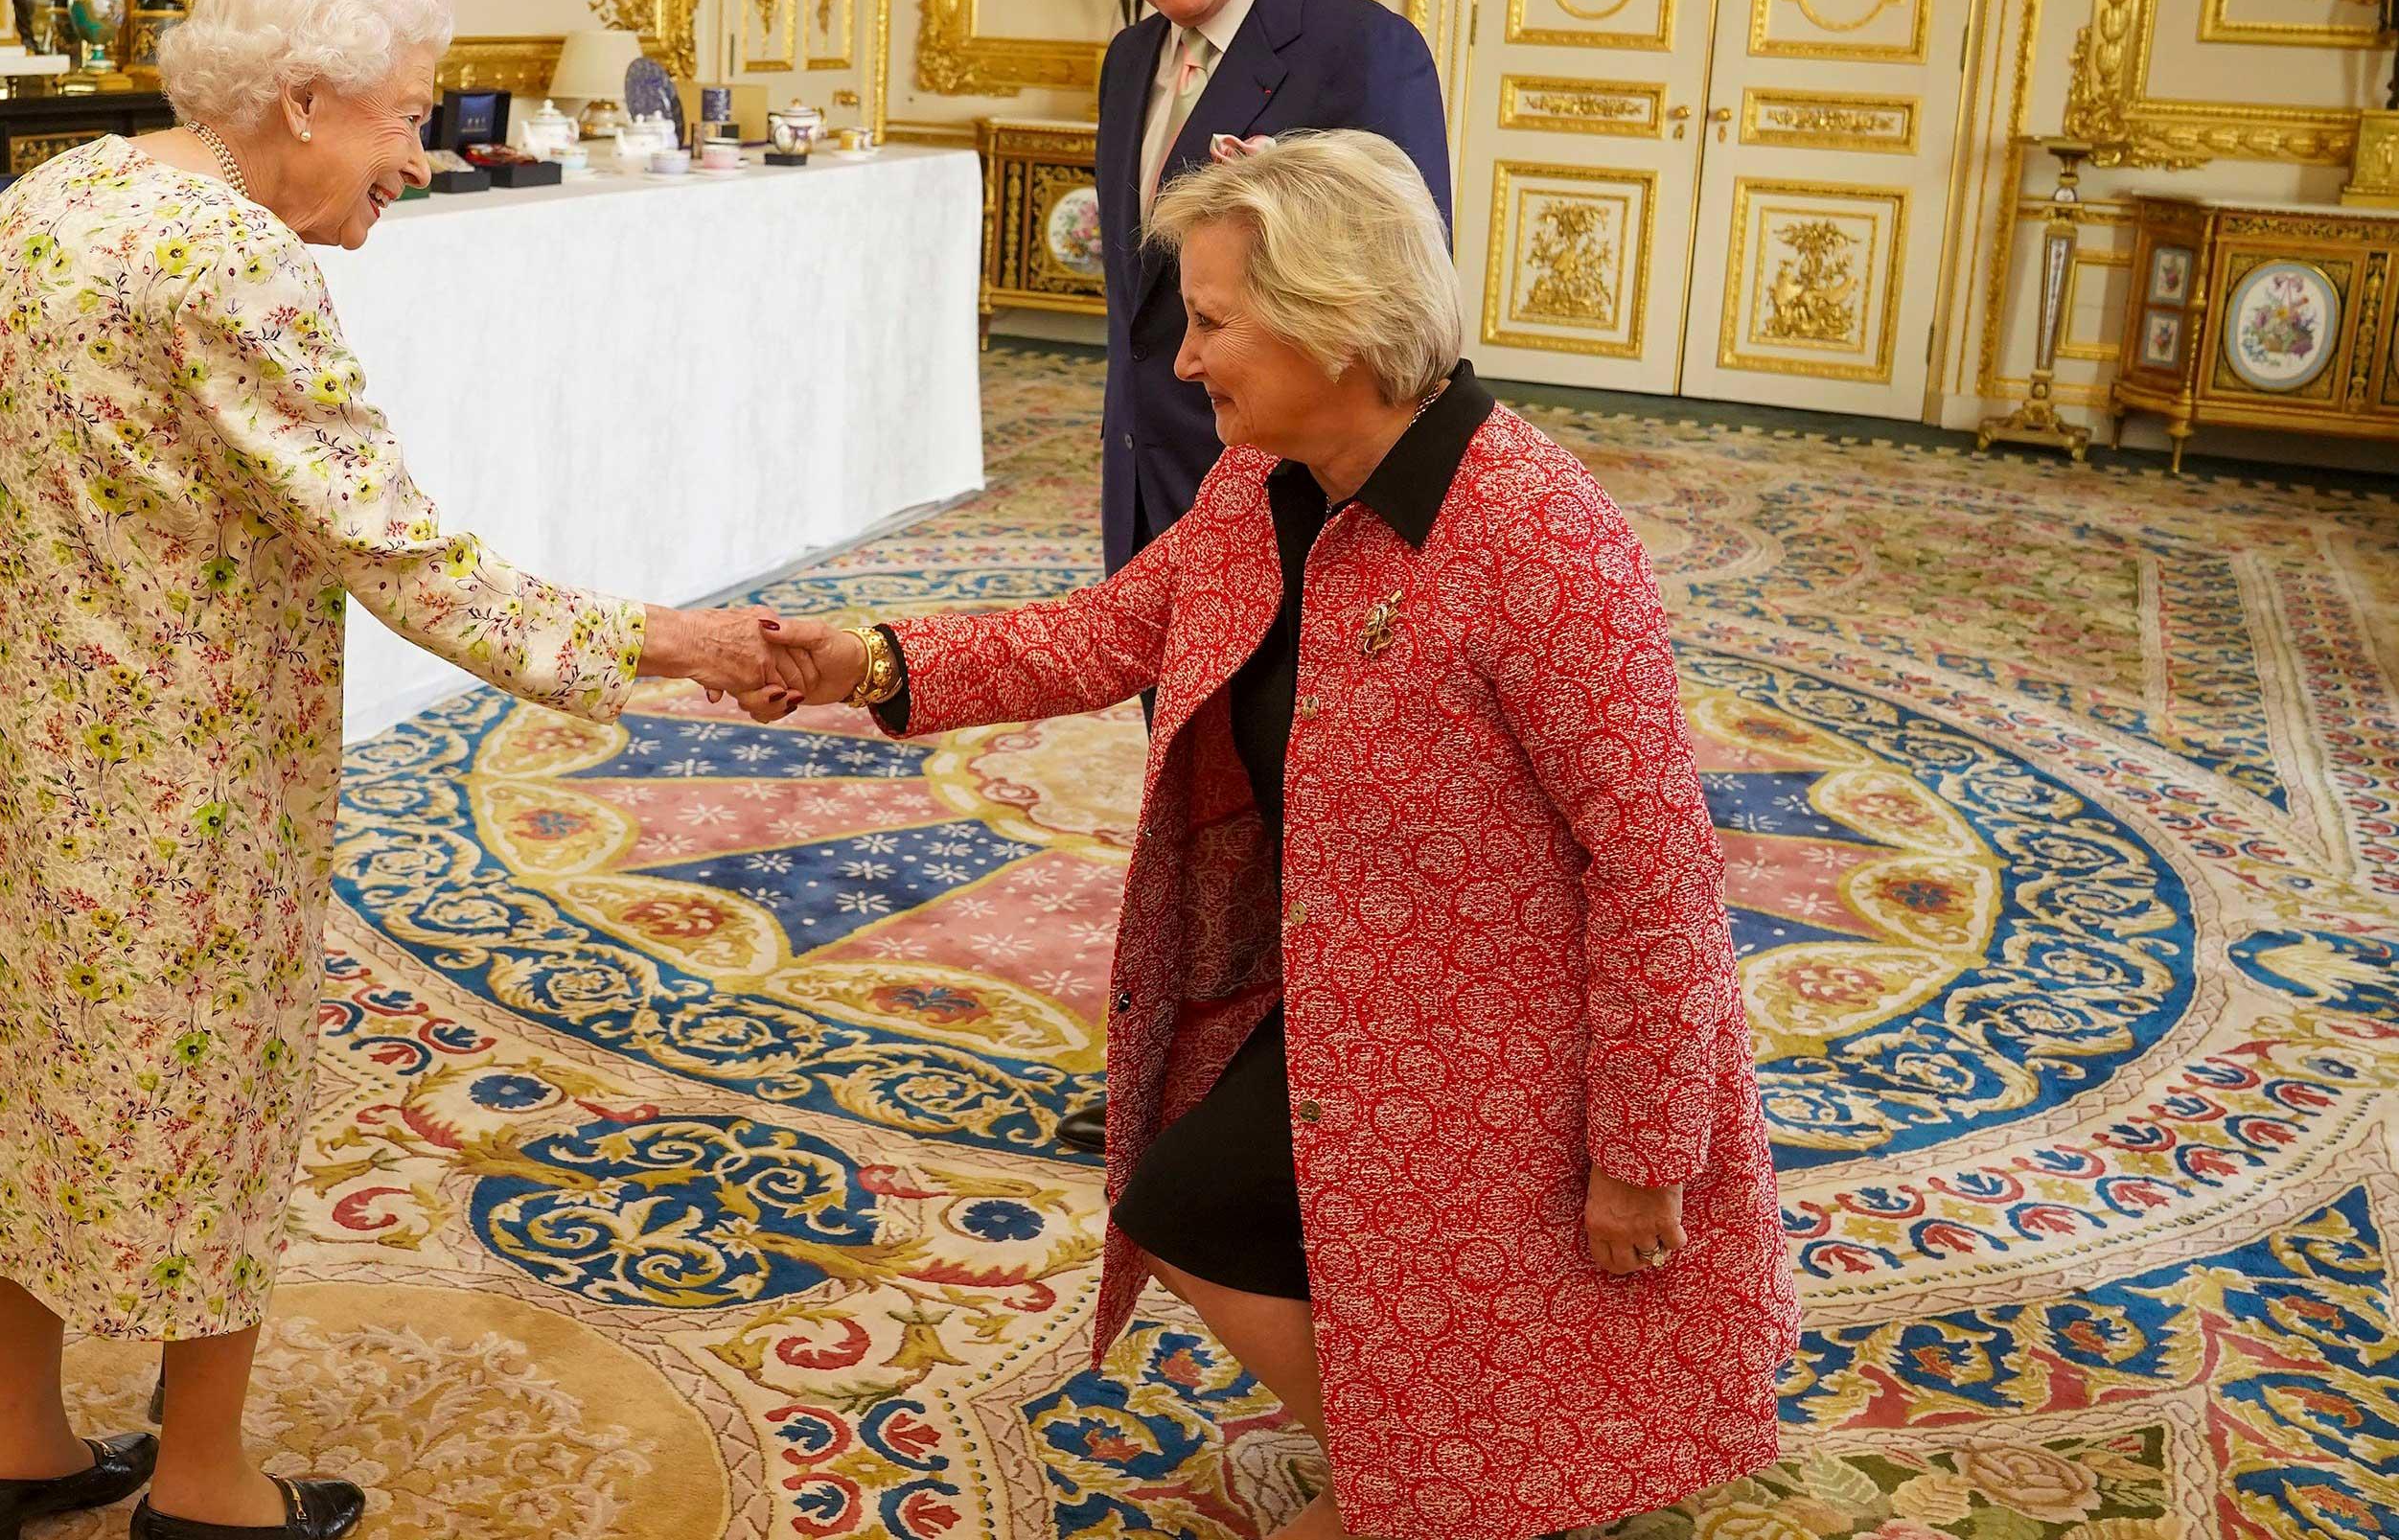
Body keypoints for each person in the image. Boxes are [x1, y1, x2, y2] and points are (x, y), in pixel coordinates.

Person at [0, 0, 827, 1540]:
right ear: (305, 102)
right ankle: (207, 1484)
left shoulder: (49, 198)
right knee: (208, 1097)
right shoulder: (229, 257)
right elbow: (404, 558)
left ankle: (16, 1438)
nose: (425, 159)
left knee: (29, 1080)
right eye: (409, 116)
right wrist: (681, 641)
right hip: (175, 773)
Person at [742, 131, 1796, 1540]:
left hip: (1510, 1038)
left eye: (1218, 321)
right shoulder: (1257, 488)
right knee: (1186, 1208)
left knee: (1288, 1237)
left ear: (1337, 322)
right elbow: (1095, 635)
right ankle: (1431, 1487)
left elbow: (1656, 861)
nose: (1186, 361)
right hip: (1340, 1002)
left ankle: (1433, 1497)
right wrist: (867, 659)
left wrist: (1645, 1147)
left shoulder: (1541, 536)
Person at [1062, 0, 1452, 1155]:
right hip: (1156, 481)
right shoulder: (1128, 64)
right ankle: (1196, 1073)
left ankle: (1314, 1097)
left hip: (1298, 505)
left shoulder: (1362, 54)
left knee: (1308, 804)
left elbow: (1399, 317)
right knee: (1199, 794)